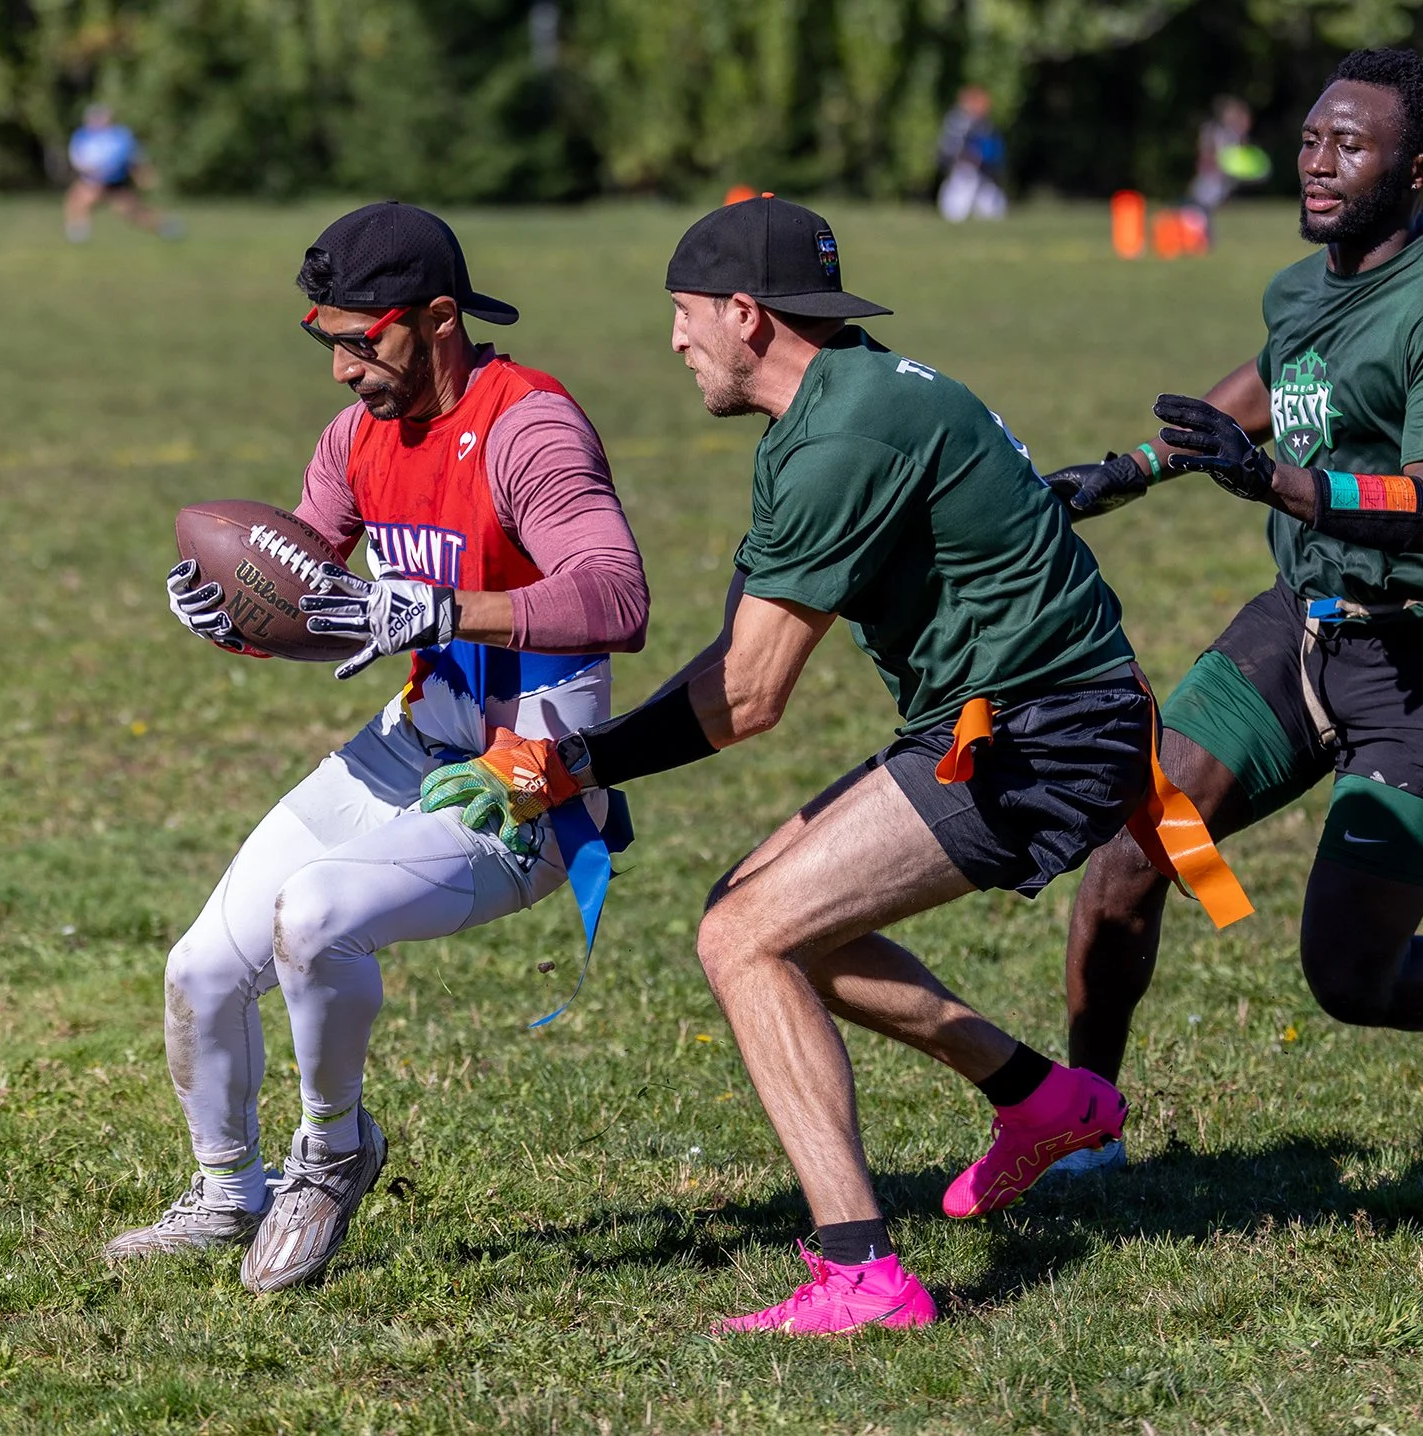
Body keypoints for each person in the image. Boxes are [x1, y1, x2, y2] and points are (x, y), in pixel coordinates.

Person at [418, 198, 1243, 1335]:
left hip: (1038, 738)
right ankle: (1042, 1098)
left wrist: (565, 764)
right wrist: (569, 760)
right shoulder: (842, 402)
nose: (674, 339)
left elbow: (749, 696)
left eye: (685, 313)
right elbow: (741, 649)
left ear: (746, 314)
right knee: (760, 909)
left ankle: (862, 1274)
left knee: (742, 936)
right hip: (1010, 718)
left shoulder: (842, 437)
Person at [1040, 49, 1423, 1179]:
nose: (1317, 162)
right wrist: (1132, 468)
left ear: (1421, 169)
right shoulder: (1302, 288)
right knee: (1125, 857)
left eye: (1349, 146)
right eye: (1311, 140)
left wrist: (1277, 483)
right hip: (1297, 628)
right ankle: (1085, 1123)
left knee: (1349, 977)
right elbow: (1272, 378)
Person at [104, 202, 650, 1293]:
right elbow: (320, 600)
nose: (343, 369)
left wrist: (444, 609)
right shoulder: (356, 437)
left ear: (439, 318)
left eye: (363, 341)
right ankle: (227, 1189)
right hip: (413, 739)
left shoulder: (528, 426)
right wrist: (235, 618)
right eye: (328, 341)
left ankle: (333, 1151)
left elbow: (617, 594)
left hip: (531, 776)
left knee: (314, 916)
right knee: (201, 968)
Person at [64, 105, 181, 243]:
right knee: (77, 202)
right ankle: (78, 236)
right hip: (91, 180)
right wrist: (91, 171)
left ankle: (167, 227)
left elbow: (133, 158)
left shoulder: (121, 136)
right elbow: (78, 158)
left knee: (132, 212)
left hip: (116, 183)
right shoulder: (82, 135)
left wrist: (142, 174)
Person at [936, 86, 1008, 222]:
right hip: (963, 169)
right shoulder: (958, 122)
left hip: (983, 171)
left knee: (991, 207)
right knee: (958, 203)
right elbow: (950, 149)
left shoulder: (985, 124)